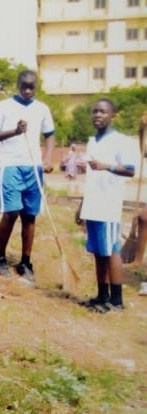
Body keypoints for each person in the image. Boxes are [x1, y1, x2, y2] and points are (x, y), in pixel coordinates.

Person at [0, 70, 55, 281]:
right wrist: (14, 132)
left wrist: (49, 158)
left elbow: (50, 134)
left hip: (33, 167)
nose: (27, 90)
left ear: (36, 86)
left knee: (29, 215)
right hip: (10, 165)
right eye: (23, 86)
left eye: (31, 87)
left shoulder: (42, 108)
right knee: (11, 212)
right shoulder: (4, 106)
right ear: (17, 84)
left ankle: (25, 261)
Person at [75, 99, 138, 313]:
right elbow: (91, 176)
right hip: (92, 205)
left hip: (108, 206)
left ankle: (117, 300)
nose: (97, 115)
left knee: (111, 251)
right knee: (98, 251)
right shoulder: (93, 142)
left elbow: (130, 170)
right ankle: (101, 295)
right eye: (94, 112)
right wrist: (82, 206)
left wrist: (107, 166)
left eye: (102, 112)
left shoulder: (121, 142)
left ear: (113, 115)